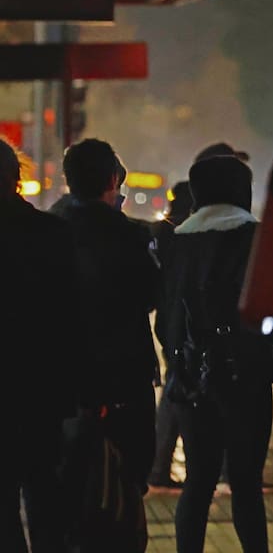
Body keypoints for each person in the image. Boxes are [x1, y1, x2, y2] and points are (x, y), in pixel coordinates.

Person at [163, 154, 273, 553]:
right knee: (246, 484)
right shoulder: (257, 239)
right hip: (247, 378)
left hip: (191, 378)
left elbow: (166, 317)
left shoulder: (176, 241)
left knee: (198, 481)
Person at [55, 138, 160, 552]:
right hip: (124, 383)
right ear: (113, 180)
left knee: (68, 492)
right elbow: (151, 295)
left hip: (64, 384)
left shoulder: (51, 228)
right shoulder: (131, 235)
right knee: (126, 485)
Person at [1, 139, 78, 553]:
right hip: (41, 389)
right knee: (44, 490)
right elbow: (71, 316)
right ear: (17, 177)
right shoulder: (52, 233)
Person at [148, 181, 193, 492]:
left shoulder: (163, 232)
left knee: (175, 391)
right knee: (178, 393)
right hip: (182, 327)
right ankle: (160, 466)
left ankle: (160, 466)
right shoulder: (187, 234)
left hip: (169, 325)